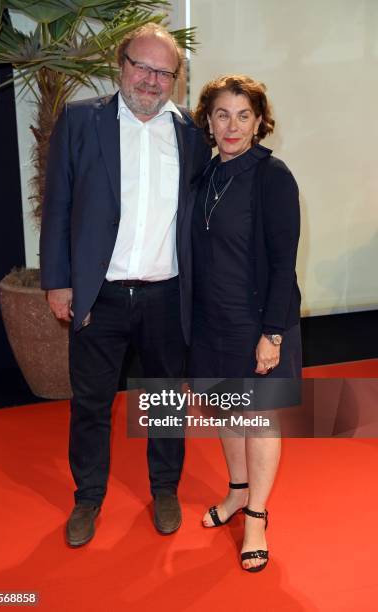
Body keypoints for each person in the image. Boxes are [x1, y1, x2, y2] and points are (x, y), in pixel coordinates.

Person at [40, 23, 210, 547]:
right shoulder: (80, 120)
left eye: (165, 72)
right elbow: (59, 204)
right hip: (101, 295)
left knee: (163, 400)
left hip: (165, 294)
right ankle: (87, 498)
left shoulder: (191, 133)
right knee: (90, 403)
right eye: (143, 66)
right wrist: (59, 282)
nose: (152, 80)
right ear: (121, 65)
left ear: (176, 80)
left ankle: (164, 490)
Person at [188, 75, 301, 571]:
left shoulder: (273, 176)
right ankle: (236, 493)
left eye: (243, 116)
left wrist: (272, 334)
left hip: (255, 323)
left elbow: (283, 263)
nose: (231, 126)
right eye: (221, 115)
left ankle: (256, 514)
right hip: (209, 321)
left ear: (258, 122)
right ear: (208, 122)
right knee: (224, 412)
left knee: (256, 419)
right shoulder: (205, 175)